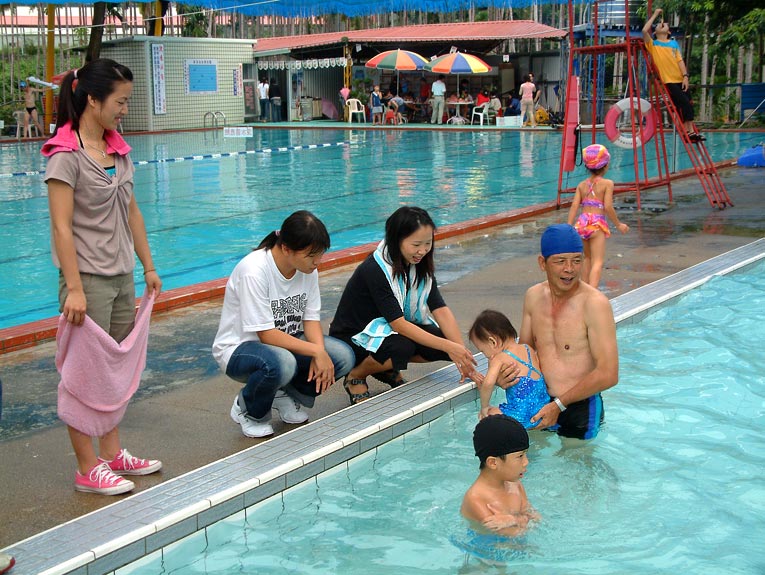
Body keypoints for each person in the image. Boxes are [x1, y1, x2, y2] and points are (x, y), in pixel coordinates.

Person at [42, 59, 163, 495]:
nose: (124, 110)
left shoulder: (118, 150)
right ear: (93, 99)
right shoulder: (65, 156)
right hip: (87, 282)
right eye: (120, 102)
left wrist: (148, 266)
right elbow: (61, 228)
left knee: (112, 370)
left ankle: (111, 454)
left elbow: (133, 212)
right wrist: (74, 288)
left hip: (120, 277)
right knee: (82, 374)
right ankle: (86, 467)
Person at [212, 211, 354, 438]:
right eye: (311, 255)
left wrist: (320, 352)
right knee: (283, 362)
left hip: (284, 343)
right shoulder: (254, 271)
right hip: (239, 349)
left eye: (320, 254)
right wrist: (316, 351)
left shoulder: (307, 270)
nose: (317, 262)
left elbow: (310, 319)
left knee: (342, 356)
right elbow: (266, 335)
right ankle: (248, 409)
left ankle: (284, 394)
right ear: (286, 248)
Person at [329, 206, 477, 404]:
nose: (423, 251)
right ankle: (356, 375)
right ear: (396, 240)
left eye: (428, 243)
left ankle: (384, 368)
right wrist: (451, 347)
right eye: (416, 244)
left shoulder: (417, 264)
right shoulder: (376, 269)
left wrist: (461, 352)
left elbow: (439, 308)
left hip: (386, 330)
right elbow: (398, 324)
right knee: (403, 347)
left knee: (443, 343)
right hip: (354, 336)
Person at [512, 224, 620, 440]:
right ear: (542, 263)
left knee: (575, 460)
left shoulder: (594, 304)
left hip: (581, 408)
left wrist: (559, 405)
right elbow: (525, 352)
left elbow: (609, 374)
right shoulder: (533, 296)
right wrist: (505, 374)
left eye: (577, 260)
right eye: (560, 261)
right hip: (540, 401)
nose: (569, 269)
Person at [469, 310, 550, 428]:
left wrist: (484, 407)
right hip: (541, 414)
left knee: (487, 416)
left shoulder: (499, 358)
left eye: (483, 351)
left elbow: (488, 383)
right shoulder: (528, 349)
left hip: (518, 417)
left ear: (492, 342)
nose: (485, 355)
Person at [461, 414, 538, 537]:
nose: (526, 462)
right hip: (485, 547)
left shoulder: (515, 485)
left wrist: (513, 520)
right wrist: (521, 520)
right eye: (520, 456)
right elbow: (511, 535)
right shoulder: (476, 499)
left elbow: (536, 518)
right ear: (493, 463)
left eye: (525, 454)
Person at [567, 144, 630, 288]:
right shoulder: (607, 184)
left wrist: (569, 227)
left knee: (587, 259)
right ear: (606, 165)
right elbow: (608, 206)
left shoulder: (581, 185)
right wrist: (618, 224)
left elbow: (574, 206)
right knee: (597, 262)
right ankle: (592, 292)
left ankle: (584, 290)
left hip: (581, 224)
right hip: (596, 224)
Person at [642, 8, 703, 141]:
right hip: (669, 80)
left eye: (664, 24)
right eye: (659, 24)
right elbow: (644, 31)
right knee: (683, 103)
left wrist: (685, 77)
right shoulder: (653, 45)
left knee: (689, 103)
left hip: (680, 78)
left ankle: (690, 131)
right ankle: (687, 132)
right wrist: (655, 14)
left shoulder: (674, 44)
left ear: (669, 32)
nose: (661, 23)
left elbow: (680, 61)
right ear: (655, 32)